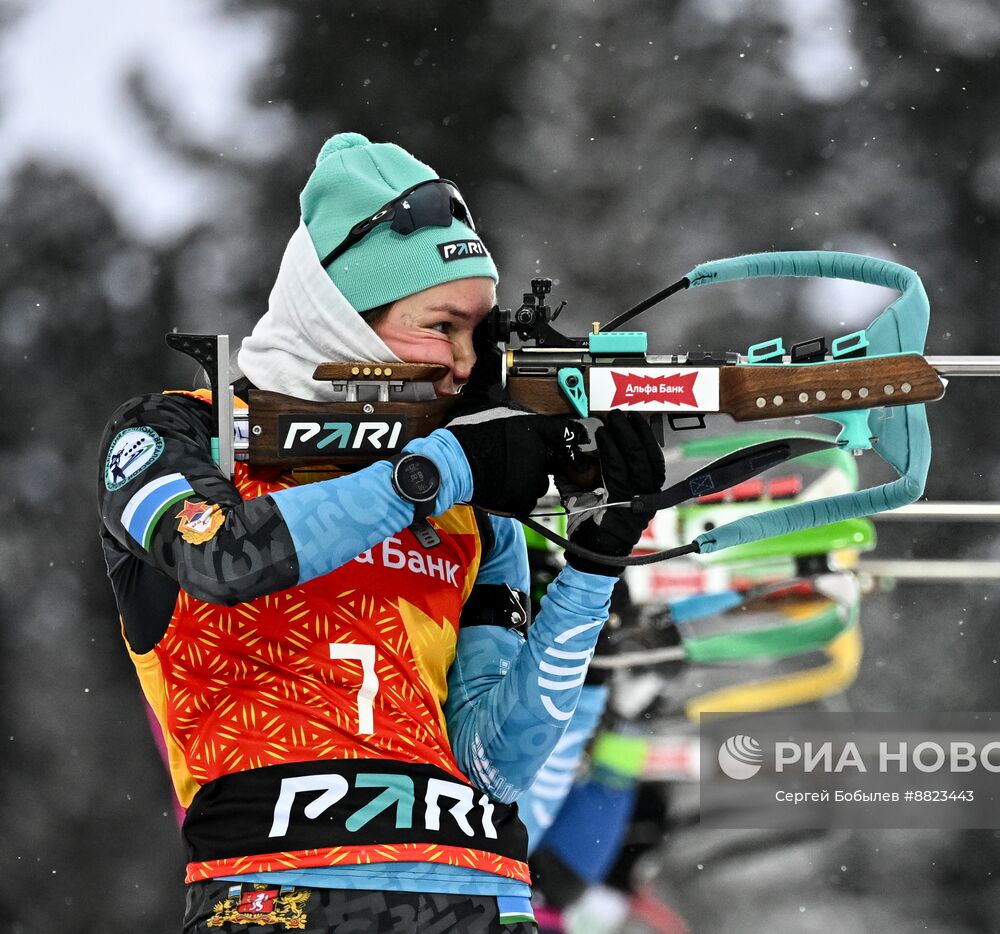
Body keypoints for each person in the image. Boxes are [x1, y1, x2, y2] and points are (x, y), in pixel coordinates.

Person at [97, 132, 664, 933]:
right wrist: (443, 466)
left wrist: (593, 564)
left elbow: (493, 763)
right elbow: (222, 554)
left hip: (487, 894)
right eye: (440, 326)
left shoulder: (470, 511)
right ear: (344, 318)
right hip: (282, 895)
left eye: (480, 333)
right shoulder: (176, 436)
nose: (466, 364)